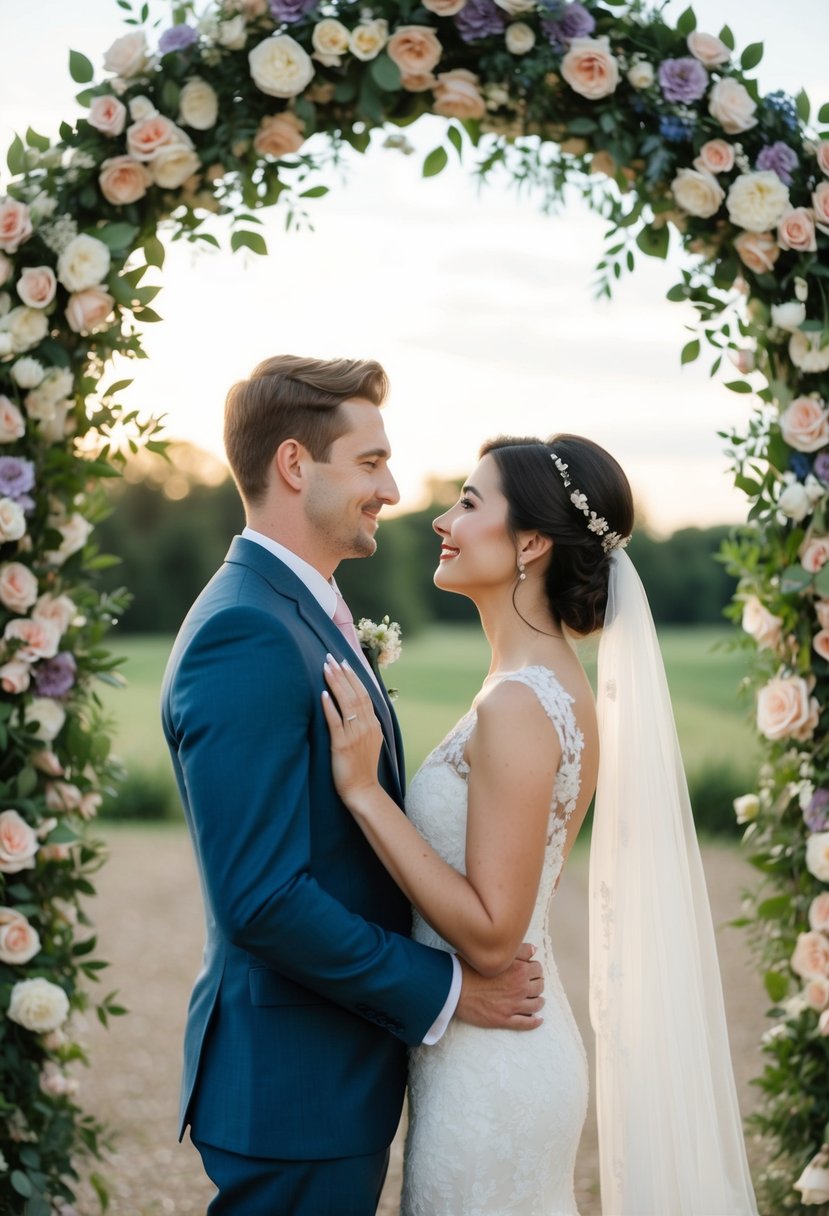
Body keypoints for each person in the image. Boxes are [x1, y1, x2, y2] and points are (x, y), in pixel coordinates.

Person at [323, 433, 760, 1215]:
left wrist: (364, 794)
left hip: (494, 1070)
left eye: (468, 501)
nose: (440, 520)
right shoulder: (530, 685)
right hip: (486, 1048)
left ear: (529, 542)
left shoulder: (520, 702)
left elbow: (494, 933)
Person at [160, 356, 545, 1216]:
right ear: (296, 465)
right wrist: (448, 989)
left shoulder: (298, 611)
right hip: (295, 1092)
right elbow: (260, 899)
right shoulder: (247, 634)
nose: (394, 488)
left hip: (327, 1074)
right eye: (370, 463)